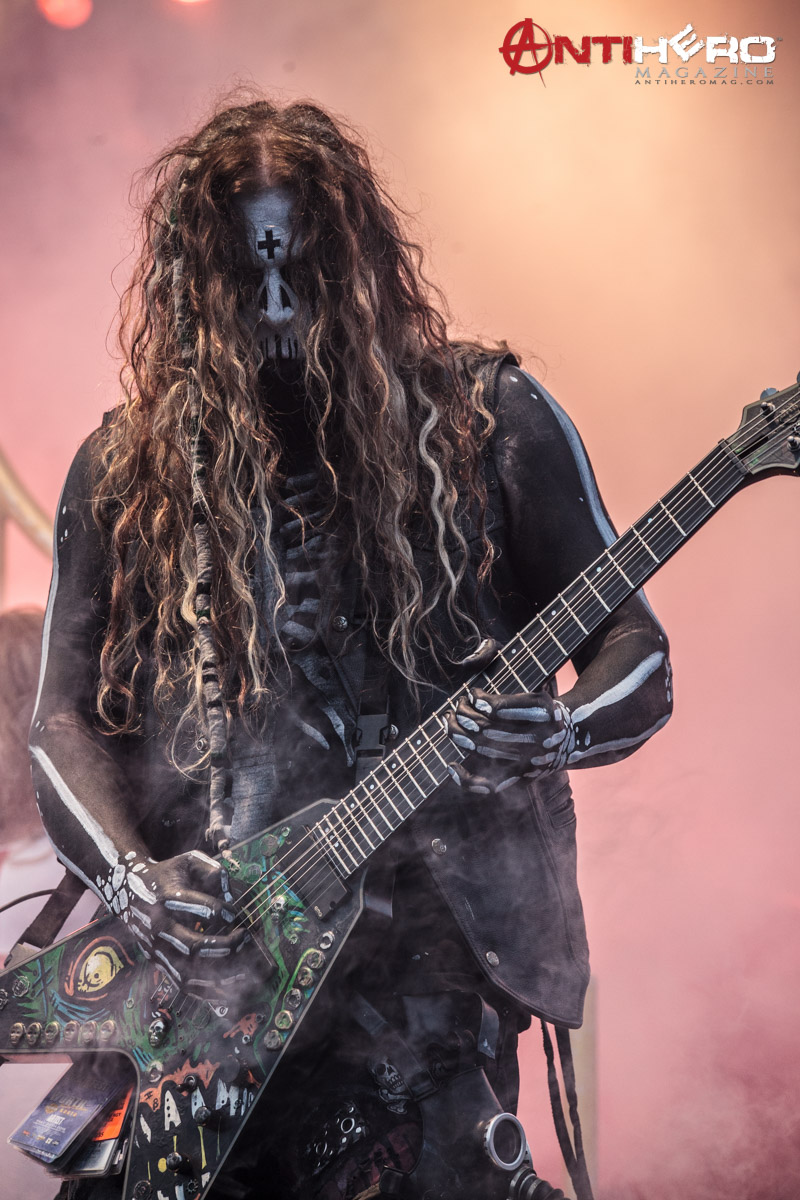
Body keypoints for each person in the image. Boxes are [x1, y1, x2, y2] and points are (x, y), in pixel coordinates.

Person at [29, 98, 672, 1200]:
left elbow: (634, 644)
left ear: (362, 267)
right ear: (193, 293)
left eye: (304, 271)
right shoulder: (125, 471)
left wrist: (560, 730)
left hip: (428, 975)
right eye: (246, 281)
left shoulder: (488, 421)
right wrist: (135, 882)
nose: (279, 307)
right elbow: (59, 719)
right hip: (209, 982)